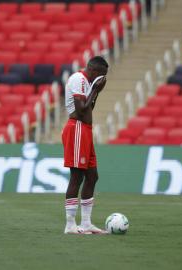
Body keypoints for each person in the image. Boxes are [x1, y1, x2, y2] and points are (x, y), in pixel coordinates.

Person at [61, 56, 108, 234]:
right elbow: (81, 110)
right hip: (77, 128)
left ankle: (86, 223)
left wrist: (95, 92)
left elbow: (89, 109)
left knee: (92, 176)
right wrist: (95, 90)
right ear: (94, 71)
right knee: (77, 177)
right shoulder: (78, 79)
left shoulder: (87, 83)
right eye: (102, 75)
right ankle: (70, 224)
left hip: (86, 130)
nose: (103, 79)